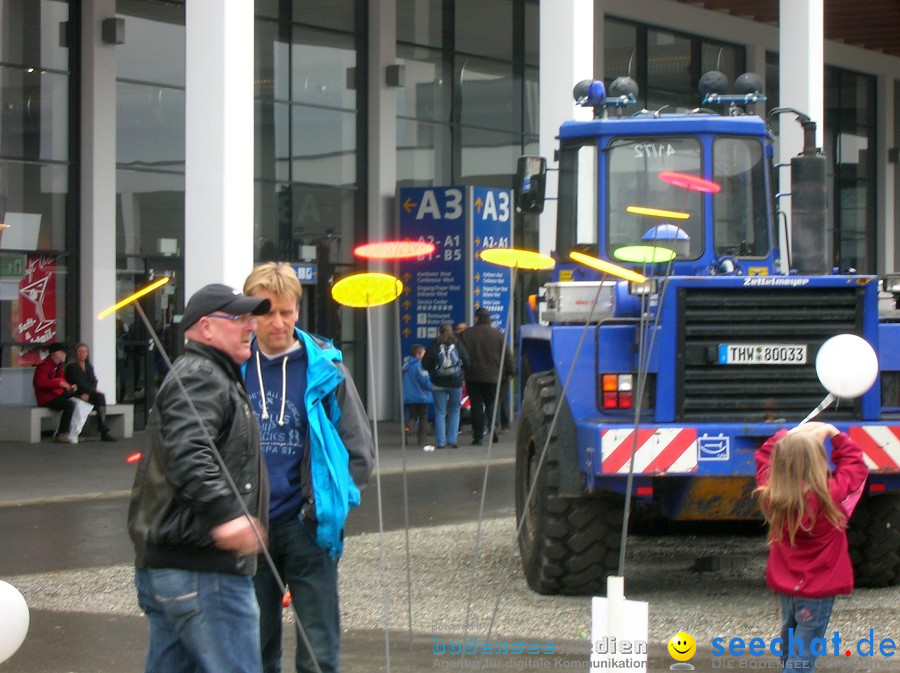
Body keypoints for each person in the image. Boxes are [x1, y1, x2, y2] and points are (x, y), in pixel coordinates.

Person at [127, 283, 272, 673]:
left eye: (250, 318)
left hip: (183, 566)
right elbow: (189, 452)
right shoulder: (202, 375)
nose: (251, 327)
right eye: (239, 318)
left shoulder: (210, 374)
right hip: (203, 570)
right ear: (206, 328)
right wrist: (227, 514)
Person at [242, 262, 374, 673]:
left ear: (298, 310)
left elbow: (359, 451)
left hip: (308, 528)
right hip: (249, 528)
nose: (278, 322)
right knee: (253, 648)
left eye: (287, 311)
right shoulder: (232, 368)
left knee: (318, 652)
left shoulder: (327, 369)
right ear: (250, 314)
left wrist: (329, 508)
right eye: (266, 312)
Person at [754, 422, 868, 673]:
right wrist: (833, 433)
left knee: (789, 647)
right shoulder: (830, 496)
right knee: (803, 657)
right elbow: (856, 466)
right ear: (819, 461)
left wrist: (790, 433)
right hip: (817, 590)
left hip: (787, 586)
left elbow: (764, 455)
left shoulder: (772, 495)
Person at [458, 308, 515, 445]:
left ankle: (478, 436)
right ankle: (493, 426)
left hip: (473, 376)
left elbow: (460, 354)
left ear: (477, 318)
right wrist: (511, 371)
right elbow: (507, 355)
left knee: (476, 405)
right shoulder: (498, 334)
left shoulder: (466, 334)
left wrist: (462, 372)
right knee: (492, 403)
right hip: (493, 376)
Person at [422, 322, 469, 449]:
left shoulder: (434, 345)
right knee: (455, 410)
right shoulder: (458, 344)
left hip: (438, 383)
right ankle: (452, 439)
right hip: (455, 383)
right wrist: (462, 374)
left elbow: (425, 364)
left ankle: (441, 442)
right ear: (452, 331)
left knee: (440, 412)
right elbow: (466, 361)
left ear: (439, 332)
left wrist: (433, 372)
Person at [65, 342, 116, 442]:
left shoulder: (89, 366)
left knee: (100, 396)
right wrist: (88, 392)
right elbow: (78, 382)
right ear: (76, 353)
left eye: (85, 351)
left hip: (88, 394)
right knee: (98, 398)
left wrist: (88, 393)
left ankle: (104, 431)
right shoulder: (72, 367)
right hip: (77, 393)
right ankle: (103, 430)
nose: (82, 354)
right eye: (80, 351)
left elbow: (94, 381)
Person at [32, 343, 78, 443]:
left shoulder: (59, 367)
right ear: (55, 353)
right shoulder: (43, 366)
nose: (64, 354)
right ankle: (61, 434)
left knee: (76, 401)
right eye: (62, 352)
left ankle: (74, 433)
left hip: (56, 395)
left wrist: (70, 386)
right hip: (46, 398)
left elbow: (62, 381)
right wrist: (58, 383)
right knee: (69, 404)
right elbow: (40, 383)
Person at [402, 343, 432, 447]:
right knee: (423, 416)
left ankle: (408, 428)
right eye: (424, 353)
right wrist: (432, 387)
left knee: (413, 415)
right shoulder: (420, 366)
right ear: (418, 354)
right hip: (421, 396)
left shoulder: (407, 366)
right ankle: (422, 440)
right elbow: (425, 381)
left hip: (410, 396)